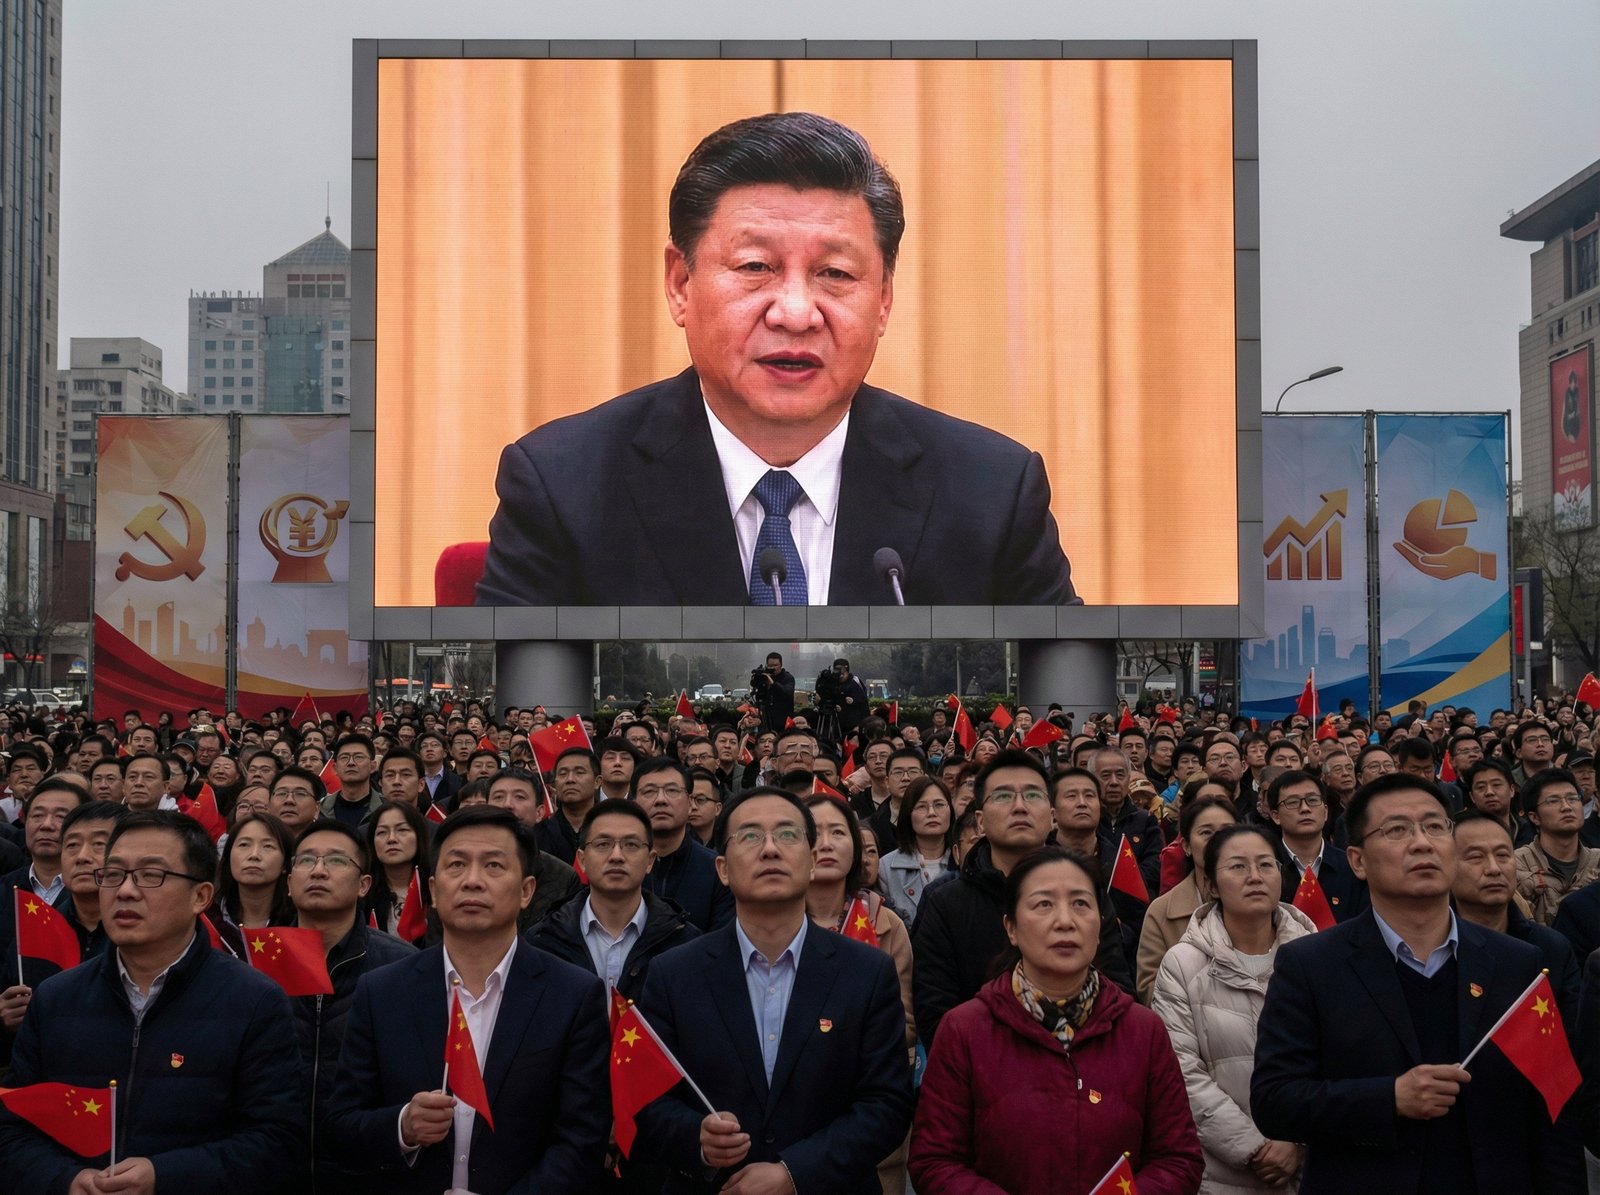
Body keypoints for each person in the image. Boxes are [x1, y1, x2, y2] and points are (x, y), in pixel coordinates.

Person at [476, 110, 1079, 607]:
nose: (795, 312)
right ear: (681, 283)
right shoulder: (561, 486)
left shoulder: (993, 492)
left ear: (885, 301)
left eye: (835, 273)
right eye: (756, 267)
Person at [1251, 773, 1584, 1192]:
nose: (1422, 842)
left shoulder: (1518, 963)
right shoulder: (1312, 964)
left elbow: (1553, 1108)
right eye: (1396, 830)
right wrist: (1389, 1098)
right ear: (1357, 860)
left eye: (1435, 826)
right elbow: (1274, 1101)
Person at [0, 810, 305, 1191]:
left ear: (201, 895)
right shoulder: (56, 997)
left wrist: (164, 1176)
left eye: (150, 875)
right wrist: (66, 1180)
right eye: (113, 875)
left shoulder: (255, 1001)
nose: (125, 891)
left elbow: (277, 1143)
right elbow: (13, 1130)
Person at [631, 787, 916, 1193]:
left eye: (787, 835)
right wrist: (697, 1136)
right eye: (749, 836)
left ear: (813, 859)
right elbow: (647, 1100)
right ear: (723, 869)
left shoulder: (868, 972)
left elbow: (887, 1105)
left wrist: (794, 1173)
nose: (769, 849)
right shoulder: (674, 973)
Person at [326, 806, 611, 1193]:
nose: (472, 881)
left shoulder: (574, 994)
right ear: (433, 888)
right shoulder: (382, 991)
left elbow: (582, 1139)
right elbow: (342, 1125)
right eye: (456, 865)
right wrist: (403, 1126)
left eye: (494, 866)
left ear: (526, 891)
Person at [909, 847, 1203, 1193]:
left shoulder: (1142, 1029)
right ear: (1012, 928)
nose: (1065, 920)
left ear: (1099, 926)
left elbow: (1179, 1158)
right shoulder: (965, 1029)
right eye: (1043, 904)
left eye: (1081, 903)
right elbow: (934, 1161)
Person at [913, 751, 1132, 1048]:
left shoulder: (1085, 891)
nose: (1019, 807)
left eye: (1032, 795)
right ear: (979, 820)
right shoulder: (946, 902)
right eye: (1003, 797)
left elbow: (1116, 990)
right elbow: (935, 1013)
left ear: (1052, 815)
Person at [1152, 826, 1316, 1193]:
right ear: (1210, 885)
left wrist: (1299, 1143)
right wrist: (1254, 1148)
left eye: (1266, 865)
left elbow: (1340, 1060)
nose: (1255, 877)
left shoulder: (1317, 956)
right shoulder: (1182, 964)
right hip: (1221, 1175)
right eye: (1238, 867)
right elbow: (1182, 1073)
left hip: (1310, 1170)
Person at [286, 819, 414, 1189]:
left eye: (338, 861)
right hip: (274, 1168)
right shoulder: (258, 963)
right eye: (306, 860)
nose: (319, 871)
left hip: (367, 1170)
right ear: (289, 882)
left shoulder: (401, 966)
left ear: (364, 886)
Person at [803, 793, 916, 1195]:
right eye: (813, 833)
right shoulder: (772, 923)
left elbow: (903, 1025)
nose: (826, 843)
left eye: (838, 832)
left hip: (868, 1112)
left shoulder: (887, 925)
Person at [527, 800, 699, 1004]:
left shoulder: (684, 941)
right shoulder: (543, 939)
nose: (616, 856)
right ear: (581, 860)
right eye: (603, 844)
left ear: (650, 860)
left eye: (631, 845)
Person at [1451, 811, 1579, 1028]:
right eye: (1475, 857)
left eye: (1503, 855)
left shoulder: (1551, 947)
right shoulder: (1432, 948)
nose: (1493, 869)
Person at [1136, 794, 1238, 1005]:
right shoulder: (1162, 911)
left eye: (1226, 832)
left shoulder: (1261, 900)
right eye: (1206, 833)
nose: (1217, 841)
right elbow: (1150, 988)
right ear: (1186, 846)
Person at [636, 757, 735, 933]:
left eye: (672, 791)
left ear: (690, 804)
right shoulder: (620, 865)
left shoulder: (717, 871)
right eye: (649, 792)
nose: (661, 800)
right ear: (634, 803)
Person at [1267, 770, 1368, 925]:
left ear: (1325, 812)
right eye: (1293, 802)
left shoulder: (1352, 866)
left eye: (1312, 800)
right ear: (1276, 816)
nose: (1305, 808)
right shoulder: (1266, 868)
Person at [1513, 767, 1600, 925]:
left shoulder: (1597, 860)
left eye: (1573, 798)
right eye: (1553, 801)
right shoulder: (1517, 865)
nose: (1566, 807)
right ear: (1534, 817)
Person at [877, 776, 955, 924]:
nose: (932, 813)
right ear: (908, 814)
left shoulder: (966, 863)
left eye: (939, 805)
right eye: (921, 807)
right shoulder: (886, 868)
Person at [752, 652, 796, 735]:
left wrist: (773, 684)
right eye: (770, 666)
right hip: (765, 719)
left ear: (781, 665)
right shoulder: (764, 677)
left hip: (783, 721)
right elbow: (755, 687)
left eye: (775, 665)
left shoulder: (788, 678)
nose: (773, 668)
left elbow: (787, 693)